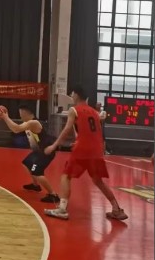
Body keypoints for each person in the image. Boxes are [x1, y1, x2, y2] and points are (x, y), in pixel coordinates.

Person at [43, 85, 128, 221]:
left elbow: (67, 129)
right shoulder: (94, 112)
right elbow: (93, 132)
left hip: (83, 149)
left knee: (66, 176)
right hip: (96, 150)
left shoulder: (74, 110)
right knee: (98, 181)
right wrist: (80, 140)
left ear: (76, 95)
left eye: (72, 93)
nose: (71, 96)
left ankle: (62, 209)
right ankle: (116, 208)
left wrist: (54, 145)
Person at [0, 105, 60, 203]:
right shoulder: (27, 123)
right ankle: (35, 185)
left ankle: (53, 195)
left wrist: (5, 117)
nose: (20, 116)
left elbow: (16, 129)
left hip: (45, 152)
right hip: (38, 151)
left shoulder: (33, 123)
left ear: (26, 113)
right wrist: (5, 118)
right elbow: (15, 129)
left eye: (21, 113)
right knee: (26, 163)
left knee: (37, 172)